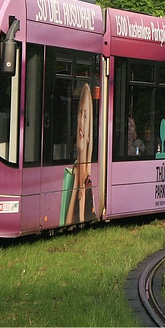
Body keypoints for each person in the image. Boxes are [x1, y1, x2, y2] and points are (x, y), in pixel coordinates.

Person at [65, 82, 96, 225]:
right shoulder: (71, 174)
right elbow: (67, 220)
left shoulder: (90, 182)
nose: (81, 123)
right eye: (79, 113)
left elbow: (81, 219)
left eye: (85, 116)